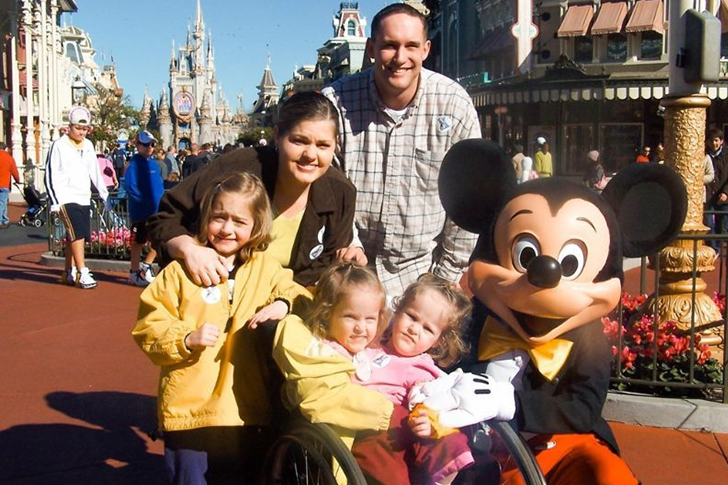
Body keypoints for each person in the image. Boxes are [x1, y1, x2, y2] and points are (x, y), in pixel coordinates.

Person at [132, 172, 309, 485]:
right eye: (219, 218)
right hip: (190, 412)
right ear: (206, 219)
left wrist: (283, 303)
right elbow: (149, 325)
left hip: (245, 410)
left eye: (239, 221)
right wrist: (185, 338)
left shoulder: (266, 269)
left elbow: (301, 295)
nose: (227, 229)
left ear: (257, 226)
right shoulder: (179, 273)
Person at [323, 3, 481, 298]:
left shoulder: (454, 105)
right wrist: (349, 244)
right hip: (348, 275)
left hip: (423, 278)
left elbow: (467, 204)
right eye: (390, 45)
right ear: (371, 48)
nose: (400, 58)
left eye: (411, 46)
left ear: (426, 49)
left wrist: (441, 284)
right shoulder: (335, 103)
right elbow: (324, 186)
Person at [147, 91, 358, 288]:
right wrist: (188, 248)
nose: (310, 155)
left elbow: (321, 270)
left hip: (285, 306)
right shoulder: (237, 168)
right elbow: (165, 218)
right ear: (278, 136)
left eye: (322, 145)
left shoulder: (341, 194)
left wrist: (282, 301)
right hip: (213, 295)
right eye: (299, 141)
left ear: (335, 145)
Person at [348, 273, 474, 485]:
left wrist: (429, 421)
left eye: (428, 329)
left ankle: (444, 477)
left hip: (389, 433)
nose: (414, 329)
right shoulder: (373, 339)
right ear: (398, 311)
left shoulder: (421, 369)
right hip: (357, 417)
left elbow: (429, 401)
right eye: (412, 317)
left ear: (438, 341)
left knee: (421, 427)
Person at [44, 106, 110, 289]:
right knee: (77, 233)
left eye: (85, 129)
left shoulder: (88, 145)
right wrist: (55, 201)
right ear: (70, 127)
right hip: (65, 197)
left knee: (73, 235)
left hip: (83, 196)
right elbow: (50, 174)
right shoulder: (58, 145)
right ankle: (82, 271)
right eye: (78, 128)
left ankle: (68, 271)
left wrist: (104, 193)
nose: (81, 132)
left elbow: (94, 171)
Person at [124, 131, 165, 287]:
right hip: (141, 212)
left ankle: (146, 265)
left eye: (152, 144)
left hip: (157, 210)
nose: (150, 147)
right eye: (146, 144)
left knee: (159, 239)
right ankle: (134, 272)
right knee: (138, 242)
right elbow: (130, 187)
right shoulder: (134, 165)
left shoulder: (154, 164)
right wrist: (143, 202)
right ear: (138, 145)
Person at [705, 128, 728, 252]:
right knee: (708, 223)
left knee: (722, 224)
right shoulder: (705, 155)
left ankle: (718, 247)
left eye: (716, 140)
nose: (714, 143)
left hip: (722, 195)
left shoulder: (726, 155)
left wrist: (726, 192)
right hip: (708, 194)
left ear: (721, 141)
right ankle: (713, 249)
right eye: (711, 141)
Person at [0, 142, 20, 229]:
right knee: (2, 202)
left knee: (2, 203)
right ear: (5, 149)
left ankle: (4, 219)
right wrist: (17, 180)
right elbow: (14, 171)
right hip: (4, 184)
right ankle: (1, 220)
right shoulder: (9, 158)